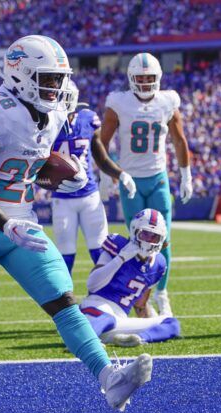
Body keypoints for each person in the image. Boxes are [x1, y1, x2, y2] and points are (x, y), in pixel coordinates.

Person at [0, 35, 153, 413]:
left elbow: (27, 165)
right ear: (20, 75)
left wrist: (53, 176)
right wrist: (5, 224)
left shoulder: (53, 115)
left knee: (63, 299)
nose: (57, 87)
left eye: (59, 78)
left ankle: (109, 379)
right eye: (48, 79)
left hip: (22, 222)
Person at [100, 52, 193, 316]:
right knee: (136, 240)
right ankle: (137, 296)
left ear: (159, 78)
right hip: (130, 180)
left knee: (164, 240)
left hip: (158, 177)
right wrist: (107, 175)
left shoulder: (167, 101)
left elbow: (179, 140)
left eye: (150, 78)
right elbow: (103, 142)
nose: (144, 83)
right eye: (140, 78)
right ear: (130, 78)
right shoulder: (119, 102)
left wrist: (186, 174)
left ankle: (162, 293)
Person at [51, 80, 136, 274]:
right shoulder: (46, 123)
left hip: (89, 195)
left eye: (64, 97)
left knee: (101, 253)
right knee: (65, 256)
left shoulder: (88, 119)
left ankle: (102, 299)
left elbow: (101, 157)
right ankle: (65, 303)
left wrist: (121, 174)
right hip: (62, 198)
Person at [80, 209, 181, 347]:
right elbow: (92, 284)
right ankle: (84, 342)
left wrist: (151, 323)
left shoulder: (159, 264)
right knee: (107, 318)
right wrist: (120, 258)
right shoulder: (117, 245)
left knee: (172, 323)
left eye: (154, 237)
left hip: (119, 320)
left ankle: (137, 339)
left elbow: (140, 304)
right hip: (95, 309)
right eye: (145, 234)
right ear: (134, 231)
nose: (149, 241)